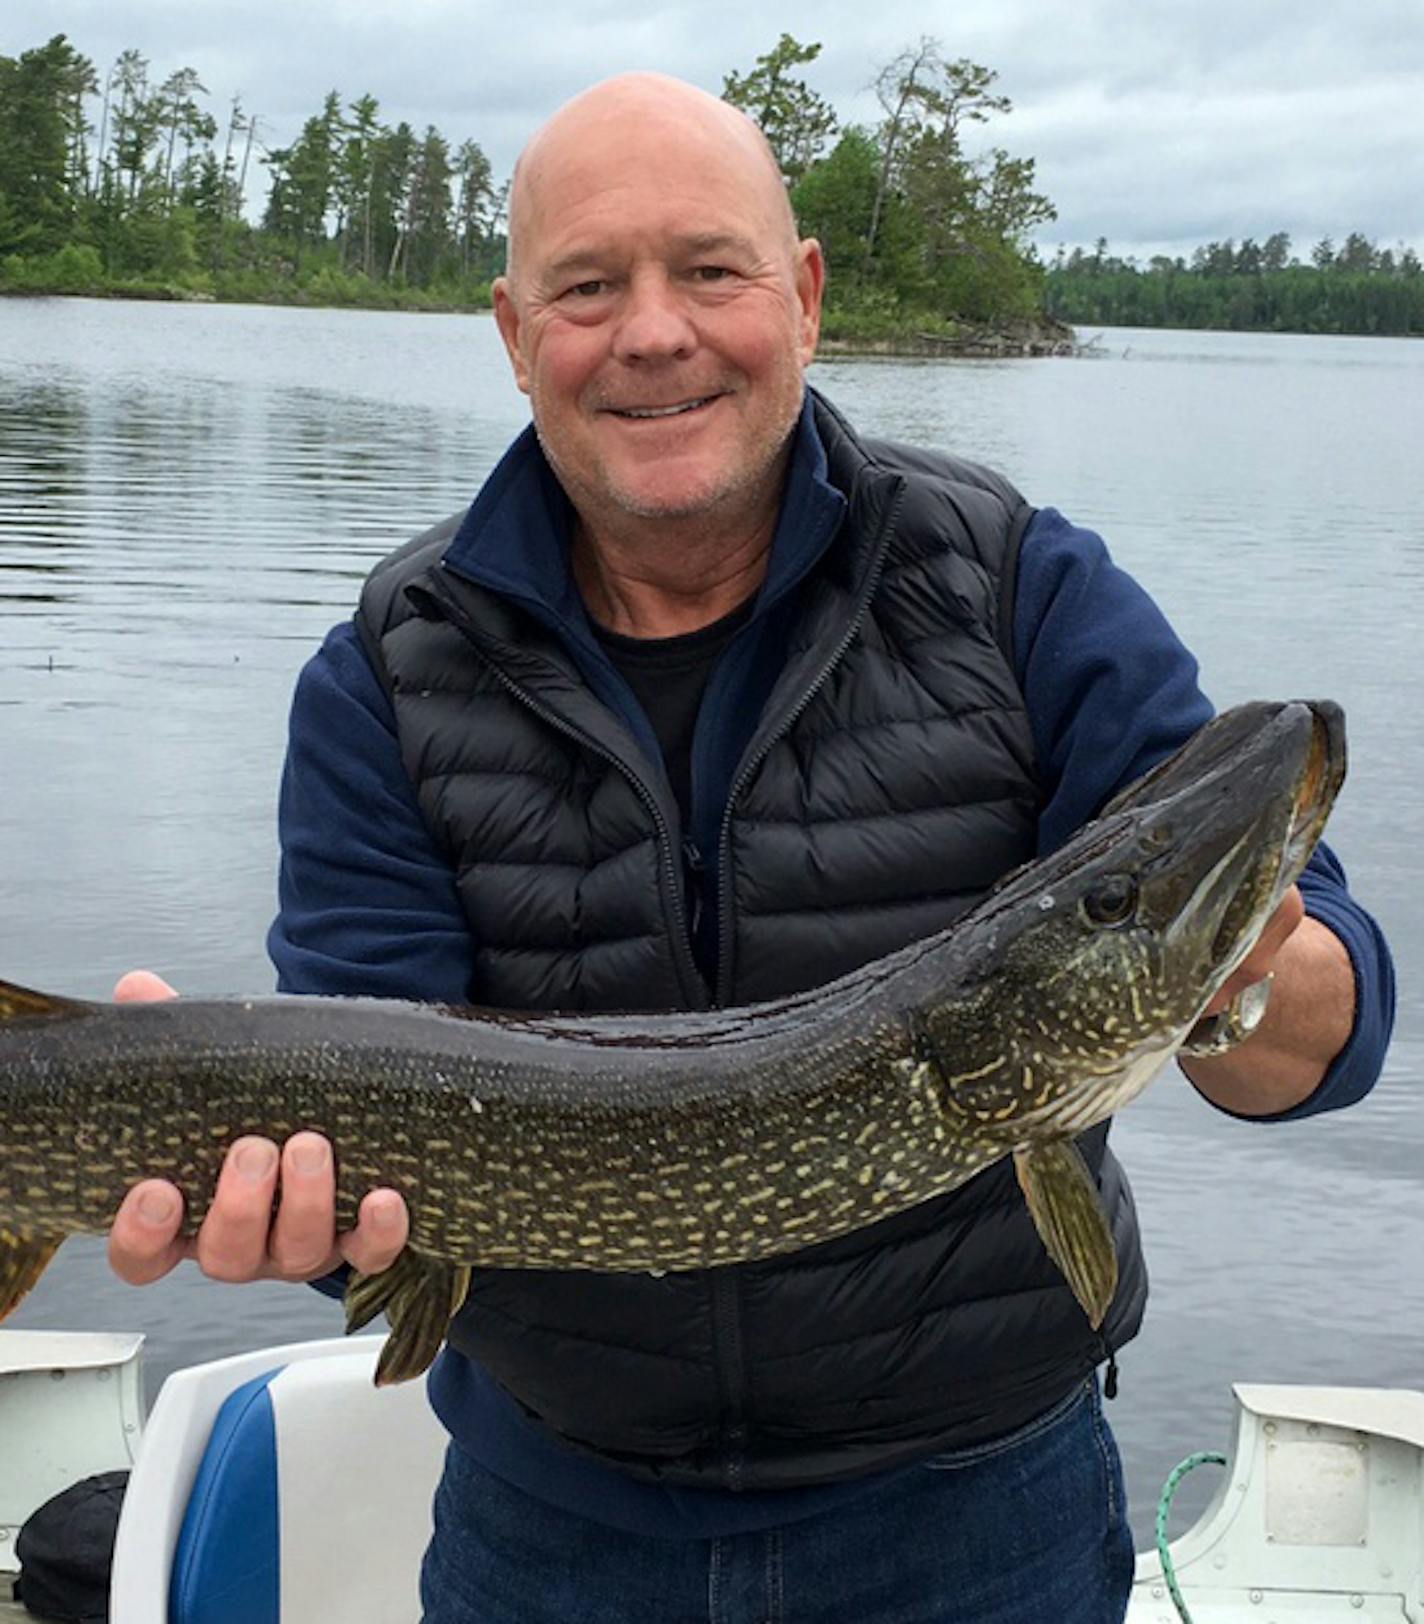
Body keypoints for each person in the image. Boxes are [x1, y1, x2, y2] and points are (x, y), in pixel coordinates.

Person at [108, 73, 1394, 1624]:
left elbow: (1322, 1037)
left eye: (710, 270)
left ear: (802, 299)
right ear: (519, 339)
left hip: (979, 1518)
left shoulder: (1013, 591)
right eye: (590, 288)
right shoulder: (390, 674)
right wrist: (296, 1220)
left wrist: (1243, 978)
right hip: (554, 1527)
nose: (654, 332)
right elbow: (371, 1164)